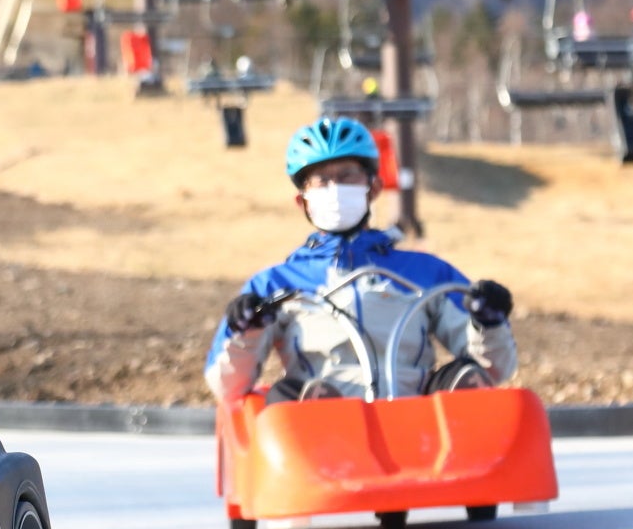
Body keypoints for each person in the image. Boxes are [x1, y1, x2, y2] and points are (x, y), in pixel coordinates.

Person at [205, 117, 518, 404]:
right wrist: (244, 332)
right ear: (303, 201)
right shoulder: (275, 285)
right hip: (324, 433)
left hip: (416, 423)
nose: (335, 188)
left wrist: (489, 323)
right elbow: (227, 387)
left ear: (373, 188)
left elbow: (497, 368)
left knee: (466, 376)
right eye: (321, 180)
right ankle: (322, 413)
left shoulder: (427, 272)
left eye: (346, 176)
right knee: (286, 396)